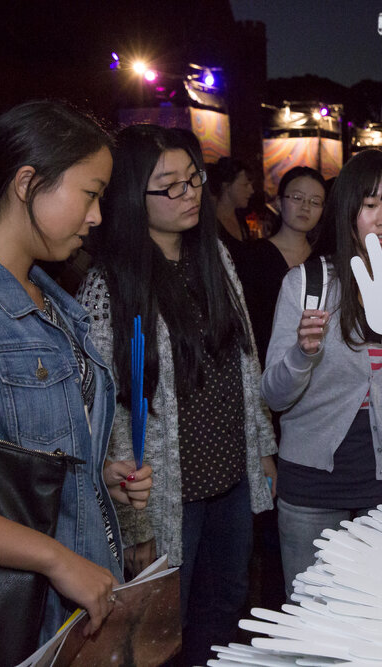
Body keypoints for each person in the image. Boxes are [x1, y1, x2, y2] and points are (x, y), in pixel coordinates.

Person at [0, 101, 152, 646]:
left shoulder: (52, 297)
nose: (97, 216)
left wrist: (92, 476)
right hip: (14, 617)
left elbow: (15, 455)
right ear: (27, 183)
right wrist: (56, 558)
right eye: (90, 193)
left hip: (72, 606)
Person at [77, 124, 277, 665]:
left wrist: (262, 448)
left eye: (193, 179)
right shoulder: (109, 284)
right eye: (169, 185)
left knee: (226, 606)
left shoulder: (215, 257)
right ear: (130, 195)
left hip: (229, 474)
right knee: (163, 630)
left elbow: (246, 362)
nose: (189, 194)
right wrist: (135, 522)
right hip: (167, 492)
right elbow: (108, 414)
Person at [262, 150, 382, 600]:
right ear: (348, 209)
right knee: (312, 607)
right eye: (370, 205)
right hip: (312, 482)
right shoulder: (308, 284)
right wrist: (301, 354)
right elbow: (273, 395)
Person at [233, 166, 327, 366]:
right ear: (278, 202)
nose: (305, 207)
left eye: (315, 202)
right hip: (265, 364)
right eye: (297, 198)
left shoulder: (323, 262)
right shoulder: (252, 257)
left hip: (315, 365)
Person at [209, 156, 255, 243]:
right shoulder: (210, 223)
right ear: (226, 186)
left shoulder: (240, 218)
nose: (251, 191)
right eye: (245, 185)